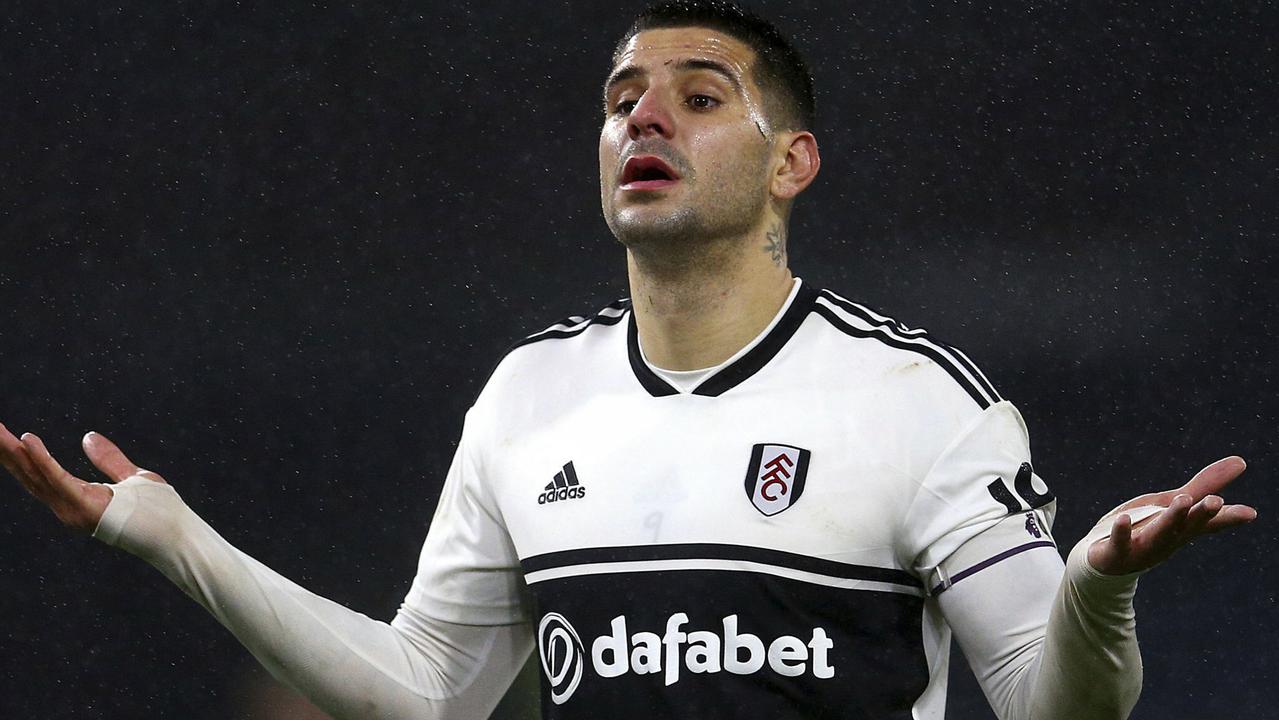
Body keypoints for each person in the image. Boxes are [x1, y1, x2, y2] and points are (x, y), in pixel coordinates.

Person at [0, 1, 1257, 718]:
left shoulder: (918, 402)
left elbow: (1057, 705)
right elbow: (431, 690)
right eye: (620, 100)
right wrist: (173, 539)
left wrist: (1096, 590)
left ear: (790, 163)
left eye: (700, 97)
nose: (642, 116)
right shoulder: (530, 395)